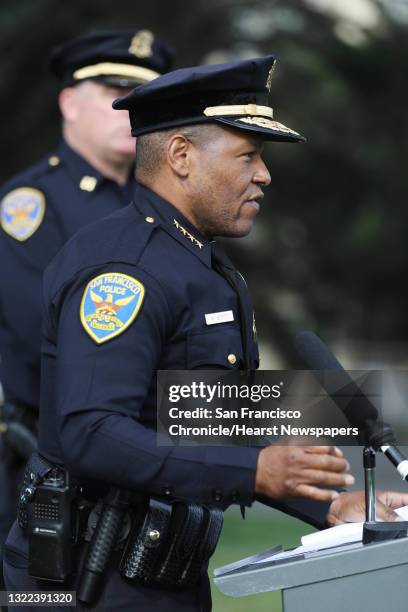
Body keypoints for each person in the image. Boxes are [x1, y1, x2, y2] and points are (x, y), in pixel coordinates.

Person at [4, 55, 408, 612]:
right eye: (247, 155)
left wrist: (332, 504)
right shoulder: (126, 271)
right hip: (85, 583)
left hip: (166, 575)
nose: (263, 174)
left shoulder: (201, 266)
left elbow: (209, 413)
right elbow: (89, 431)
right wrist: (257, 473)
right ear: (181, 156)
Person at [0, 29, 173, 586]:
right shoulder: (31, 207)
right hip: (51, 482)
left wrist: (307, 411)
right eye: (113, 89)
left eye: (141, 94)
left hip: (148, 480)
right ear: (69, 102)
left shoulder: (165, 207)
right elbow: (58, 348)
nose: (129, 106)